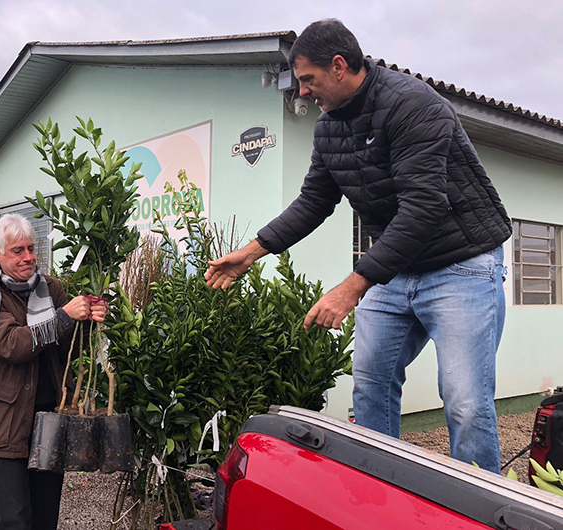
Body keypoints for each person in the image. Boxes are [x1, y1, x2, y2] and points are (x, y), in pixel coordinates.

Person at [205, 19, 511, 472]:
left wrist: (352, 286)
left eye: (308, 79)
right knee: (370, 386)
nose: (303, 91)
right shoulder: (329, 128)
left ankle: (481, 505)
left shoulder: (412, 104)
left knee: (465, 402)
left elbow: (423, 207)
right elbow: (314, 201)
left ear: (339, 65)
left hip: (460, 266)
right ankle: (378, 494)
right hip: (396, 270)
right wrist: (251, 252)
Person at [0, 213, 106, 530]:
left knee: (45, 517)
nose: (28, 257)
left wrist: (88, 319)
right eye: (18, 250)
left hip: (48, 423)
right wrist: (63, 317)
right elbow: (12, 345)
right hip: (3, 426)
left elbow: (69, 349)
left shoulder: (52, 288)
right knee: (13, 519)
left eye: (31, 248)